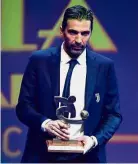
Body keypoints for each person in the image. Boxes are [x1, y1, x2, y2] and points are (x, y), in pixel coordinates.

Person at [16, 5, 122, 163]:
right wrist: (45, 123)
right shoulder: (39, 61)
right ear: (61, 31)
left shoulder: (104, 66)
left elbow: (113, 114)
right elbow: (23, 107)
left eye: (85, 33)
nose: (79, 40)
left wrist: (93, 140)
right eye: (73, 32)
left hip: (87, 157)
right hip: (41, 155)